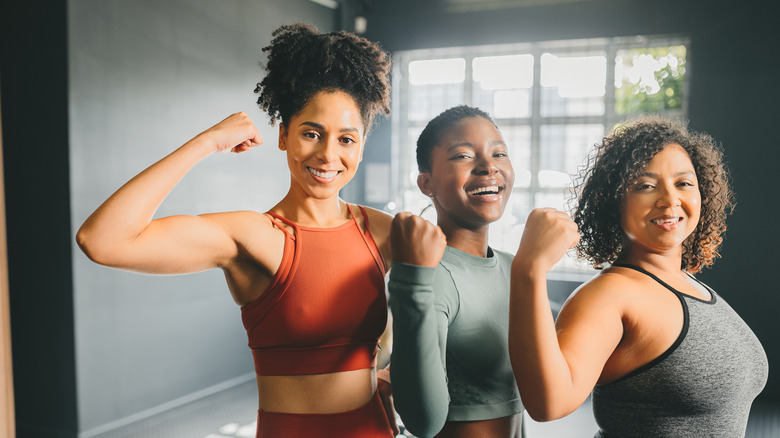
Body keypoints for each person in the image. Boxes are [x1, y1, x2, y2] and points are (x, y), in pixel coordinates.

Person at [76, 23, 399, 437]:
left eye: (347, 139)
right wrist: (207, 141)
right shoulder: (253, 236)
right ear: (283, 135)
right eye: (311, 133)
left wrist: (393, 377)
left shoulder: (384, 232)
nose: (328, 154)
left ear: (361, 145)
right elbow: (101, 240)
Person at [508, 115, 768, 437]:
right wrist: (528, 271)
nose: (670, 199)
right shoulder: (610, 295)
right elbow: (548, 403)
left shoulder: (690, 285)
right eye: (645, 186)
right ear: (614, 200)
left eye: (684, 183)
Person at [388, 105, 525, 438]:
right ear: (427, 183)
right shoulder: (430, 276)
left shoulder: (516, 268)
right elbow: (424, 421)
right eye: (463, 156)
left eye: (499, 152)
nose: (488, 166)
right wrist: (412, 280)